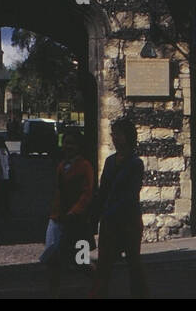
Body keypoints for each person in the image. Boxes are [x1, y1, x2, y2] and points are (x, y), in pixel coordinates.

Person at [91, 118, 149, 297]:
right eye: (113, 134)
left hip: (128, 222)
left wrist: (112, 211)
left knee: (133, 264)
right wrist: (95, 216)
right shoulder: (109, 162)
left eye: (119, 134)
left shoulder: (135, 163)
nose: (115, 138)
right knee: (104, 266)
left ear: (128, 137)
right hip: (109, 223)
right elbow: (103, 191)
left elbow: (131, 194)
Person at [44, 131, 94, 297]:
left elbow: (87, 193)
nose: (68, 147)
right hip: (58, 218)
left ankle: (99, 285)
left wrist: (75, 212)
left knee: (81, 261)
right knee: (52, 259)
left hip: (77, 221)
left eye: (72, 143)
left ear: (79, 147)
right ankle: (54, 293)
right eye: (66, 143)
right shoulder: (61, 165)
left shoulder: (85, 166)